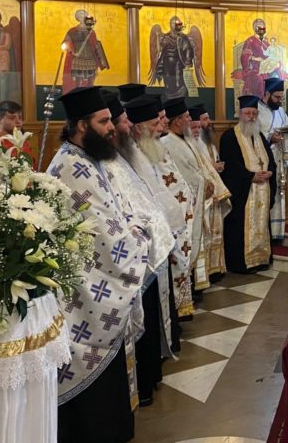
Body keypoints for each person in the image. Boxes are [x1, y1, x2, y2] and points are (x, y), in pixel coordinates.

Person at [48, 87, 148, 443]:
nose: (111, 128)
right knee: (93, 409)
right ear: (80, 124)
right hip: (87, 295)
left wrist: (132, 228)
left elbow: (112, 216)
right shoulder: (72, 167)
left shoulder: (86, 159)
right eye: (103, 121)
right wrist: (138, 238)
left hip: (96, 288)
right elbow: (108, 237)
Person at [103, 91, 175, 408]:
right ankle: (142, 384)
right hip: (127, 258)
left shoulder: (125, 154)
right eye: (119, 121)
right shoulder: (109, 159)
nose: (125, 125)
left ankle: (148, 378)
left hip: (144, 250)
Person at [124, 94, 197, 340]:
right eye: (155, 124)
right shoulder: (133, 153)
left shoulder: (149, 148)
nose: (160, 128)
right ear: (138, 128)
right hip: (152, 238)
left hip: (167, 231)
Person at [161, 98, 230, 291]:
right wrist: (204, 183)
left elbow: (198, 168)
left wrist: (207, 182)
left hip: (196, 199)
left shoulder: (185, 140)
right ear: (177, 121)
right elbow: (184, 175)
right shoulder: (169, 143)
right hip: (184, 205)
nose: (190, 119)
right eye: (186, 117)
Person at [219, 95, 277, 273]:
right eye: (247, 113)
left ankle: (260, 259)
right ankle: (240, 263)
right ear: (239, 114)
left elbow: (270, 160)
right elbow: (230, 167)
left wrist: (270, 172)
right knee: (239, 227)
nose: (251, 117)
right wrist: (250, 177)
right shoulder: (229, 137)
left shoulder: (259, 135)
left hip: (262, 189)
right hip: (243, 193)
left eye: (254, 113)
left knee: (261, 224)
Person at [259, 78, 288, 237]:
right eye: (277, 97)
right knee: (267, 193)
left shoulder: (280, 111)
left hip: (279, 158)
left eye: (281, 97)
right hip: (265, 161)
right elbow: (253, 135)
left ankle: (277, 232)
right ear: (267, 94)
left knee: (279, 193)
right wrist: (269, 137)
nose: (280, 101)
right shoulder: (257, 111)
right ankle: (265, 232)